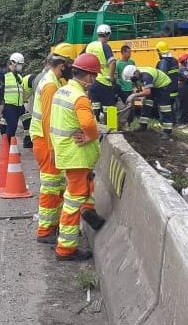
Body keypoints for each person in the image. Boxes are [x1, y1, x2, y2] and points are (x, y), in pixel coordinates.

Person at [50, 53, 106, 261]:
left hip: (65, 152)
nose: (93, 82)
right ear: (89, 77)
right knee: (73, 200)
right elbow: (89, 125)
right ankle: (66, 249)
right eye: (94, 77)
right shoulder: (79, 97)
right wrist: (91, 136)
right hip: (77, 156)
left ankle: (88, 211)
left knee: (83, 188)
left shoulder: (61, 91)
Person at [31, 43, 76, 244]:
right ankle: (45, 231)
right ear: (63, 65)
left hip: (45, 140)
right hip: (45, 141)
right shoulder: (50, 85)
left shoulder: (52, 80)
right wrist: (52, 148)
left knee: (56, 185)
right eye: (70, 65)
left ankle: (53, 225)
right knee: (50, 187)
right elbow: (48, 119)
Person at [122, 65, 174, 138]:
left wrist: (134, 95)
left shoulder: (146, 76)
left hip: (163, 84)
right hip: (154, 85)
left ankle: (167, 132)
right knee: (147, 104)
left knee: (164, 107)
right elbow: (136, 87)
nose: (132, 80)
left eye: (132, 79)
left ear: (135, 74)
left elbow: (148, 91)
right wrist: (139, 95)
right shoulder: (136, 74)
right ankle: (143, 125)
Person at [84, 24, 118, 120]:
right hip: (104, 81)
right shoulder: (105, 46)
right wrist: (111, 76)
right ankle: (112, 128)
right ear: (107, 34)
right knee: (110, 106)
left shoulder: (89, 46)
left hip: (91, 81)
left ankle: (96, 128)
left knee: (95, 105)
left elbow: (80, 59)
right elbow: (112, 62)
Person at [1, 52, 27, 144]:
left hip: (18, 106)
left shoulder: (19, 76)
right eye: (20, 64)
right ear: (14, 63)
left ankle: (9, 148)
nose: (21, 66)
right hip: (8, 105)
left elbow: (21, 89)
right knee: (12, 126)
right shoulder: (4, 74)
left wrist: (24, 99)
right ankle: (6, 147)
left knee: (13, 127)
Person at [155, 41, 180, 118]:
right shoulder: (175, 60)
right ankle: (173, 123)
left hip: (166, 91)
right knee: (170, 108)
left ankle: (163, 122)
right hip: (174, 90)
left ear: (160, 51)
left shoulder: (163, 62)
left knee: (164, 108)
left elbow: (162, 77)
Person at [115, 44, 136, 128]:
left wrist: (135, 87)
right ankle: (122, 124)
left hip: (130, 89)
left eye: (130, 52)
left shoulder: (132, 62)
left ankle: (129, 124)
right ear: (123, 53)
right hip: (123, 89)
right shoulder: (118, 64)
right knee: (124, 107)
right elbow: (116, 77)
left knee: (131, 108)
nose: (130, 54)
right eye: (128, 52)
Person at [176, 53, 188, 124]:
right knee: (182, 106)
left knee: (186, 105)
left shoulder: (184, 69)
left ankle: (185, 121)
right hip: (183, 88)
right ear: (185, 61)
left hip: (184, 87)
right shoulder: (183, 70)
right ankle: (180, 122)